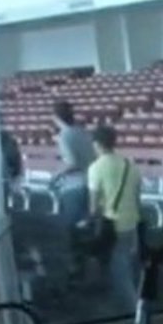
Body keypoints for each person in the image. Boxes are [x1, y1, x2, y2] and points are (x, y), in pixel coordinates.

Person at [87, 125, 143, 314]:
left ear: (97, 144)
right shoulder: (130, 166)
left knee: (119, 269)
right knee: (127, 262)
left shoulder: (96, 168)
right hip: (131, 221)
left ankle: (135, 309)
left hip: (111, 223)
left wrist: (89, 223)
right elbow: (137, 198)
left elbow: (94, 206)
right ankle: (129, 301)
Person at [49, 100, 96, 280]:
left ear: (55, 117)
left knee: (72, 231)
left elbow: (71, 162)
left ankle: (77, 271)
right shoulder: (84, 133)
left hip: (74, 186)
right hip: (90, 183)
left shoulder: (65, 136)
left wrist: (56, 175)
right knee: (86, 227)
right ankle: (91, 267)